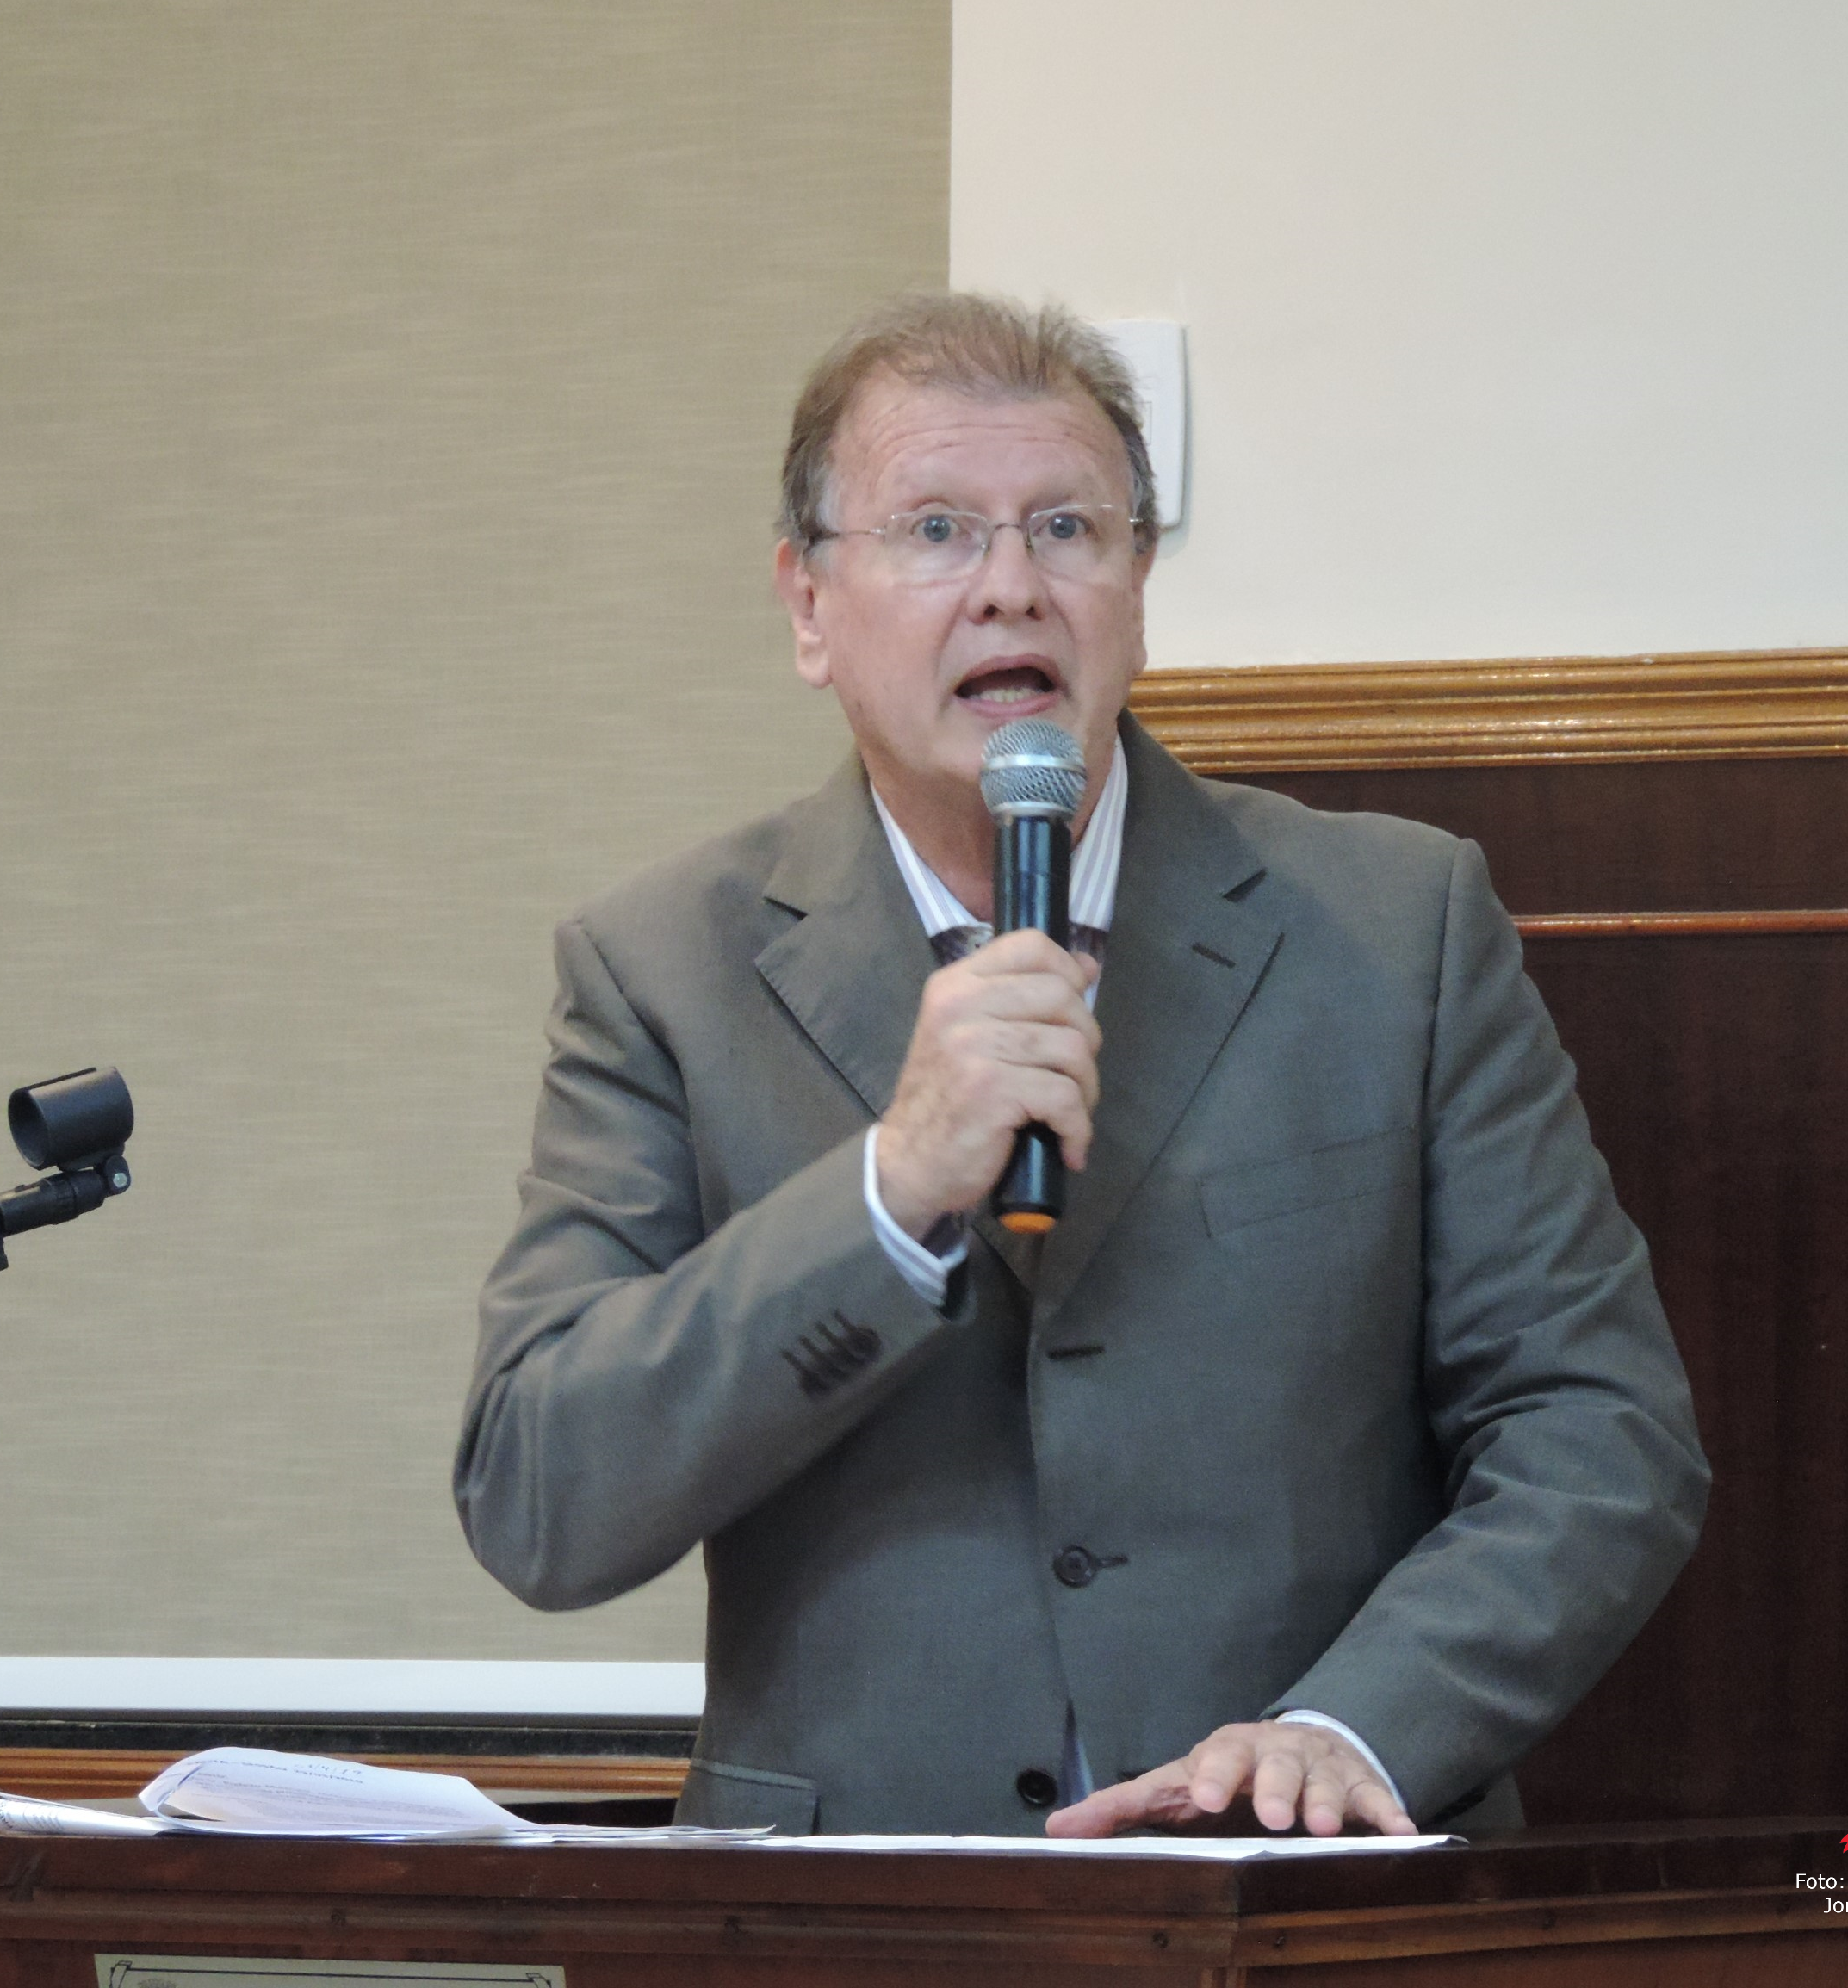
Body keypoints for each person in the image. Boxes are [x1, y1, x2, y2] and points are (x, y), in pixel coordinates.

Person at [456, 293, 1708, 1839]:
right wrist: (890, 1190)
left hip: (1285, 1893)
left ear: (1136, 584)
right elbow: (541, 1497)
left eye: (1066, 528)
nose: (1008, 591)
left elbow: (1600, 1434)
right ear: (805, 604)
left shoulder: (1396, 926)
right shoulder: (661, 968)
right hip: (844, 1921)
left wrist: (1356, 1728)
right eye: (932, 529)